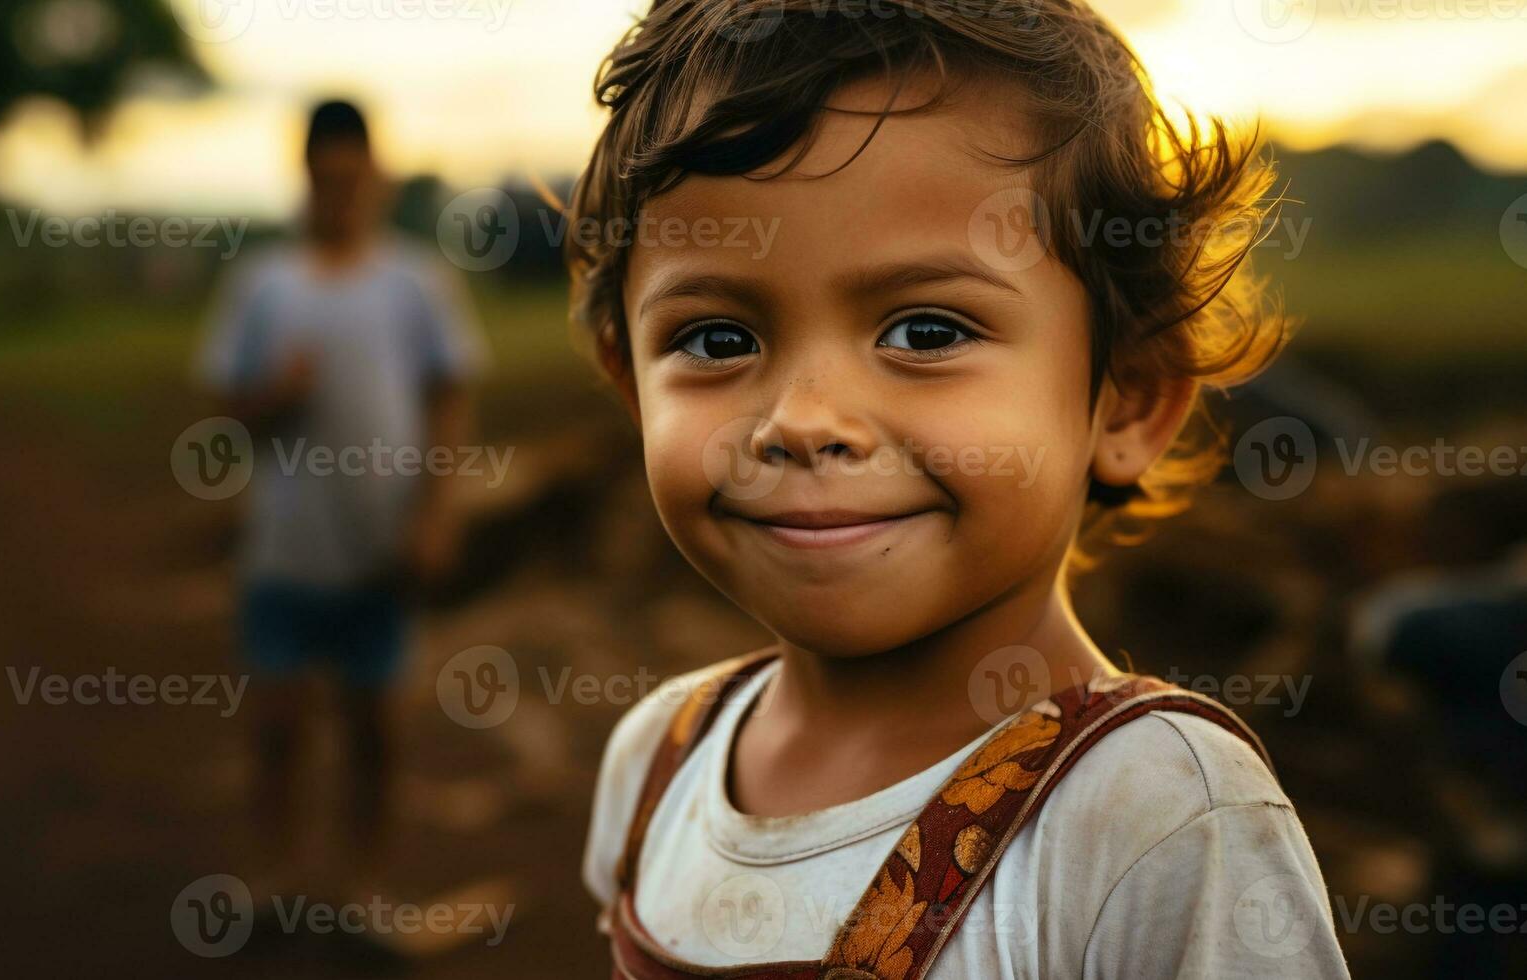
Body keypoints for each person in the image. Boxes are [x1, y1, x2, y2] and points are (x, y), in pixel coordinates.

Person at [569, 2, 1349, 977]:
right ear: (628, 379)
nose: (802, 420)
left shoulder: (1151, 811)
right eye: (716, 340)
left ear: (1124, 400)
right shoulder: (654, 761)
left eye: (926, 331)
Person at [196, 99, 488, 910]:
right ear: (305, 178)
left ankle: (365, 889)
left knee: (376, 734)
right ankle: (278, 878)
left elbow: (449, 399)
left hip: (380, 552)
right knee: (277, 729)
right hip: (283, 553)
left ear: (375, 175)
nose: (340, 190)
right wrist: (271, 399)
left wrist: (435, 515)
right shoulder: (262, 285)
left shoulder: (416, 282)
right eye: (324, 177)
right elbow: (225, 408)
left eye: (351, 175)